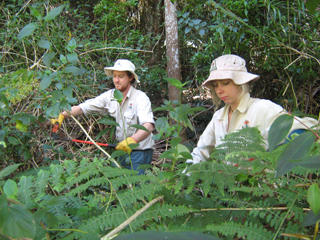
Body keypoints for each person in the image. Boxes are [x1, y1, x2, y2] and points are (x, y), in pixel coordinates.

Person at [187, 54, 318, 165]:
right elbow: (201, 152)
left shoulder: (263, 109)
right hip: (230, 191)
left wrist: (275, 158)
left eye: (225, 83)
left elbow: (309, 131)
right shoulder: (219, 117)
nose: (219, 90)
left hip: (264, 190)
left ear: (241, 83)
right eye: (215, 85)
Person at [51, 59, 155, 175]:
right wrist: (62, 116)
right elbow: (83, 107)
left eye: (121, 76)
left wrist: (132, 140)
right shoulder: (110, 96)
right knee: (120, 185)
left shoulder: (140, 98)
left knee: (139, 188)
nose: (116, 80)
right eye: (114, 76)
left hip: (140, 152)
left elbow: (148, 126)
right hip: (121, 150)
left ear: (130, 77)